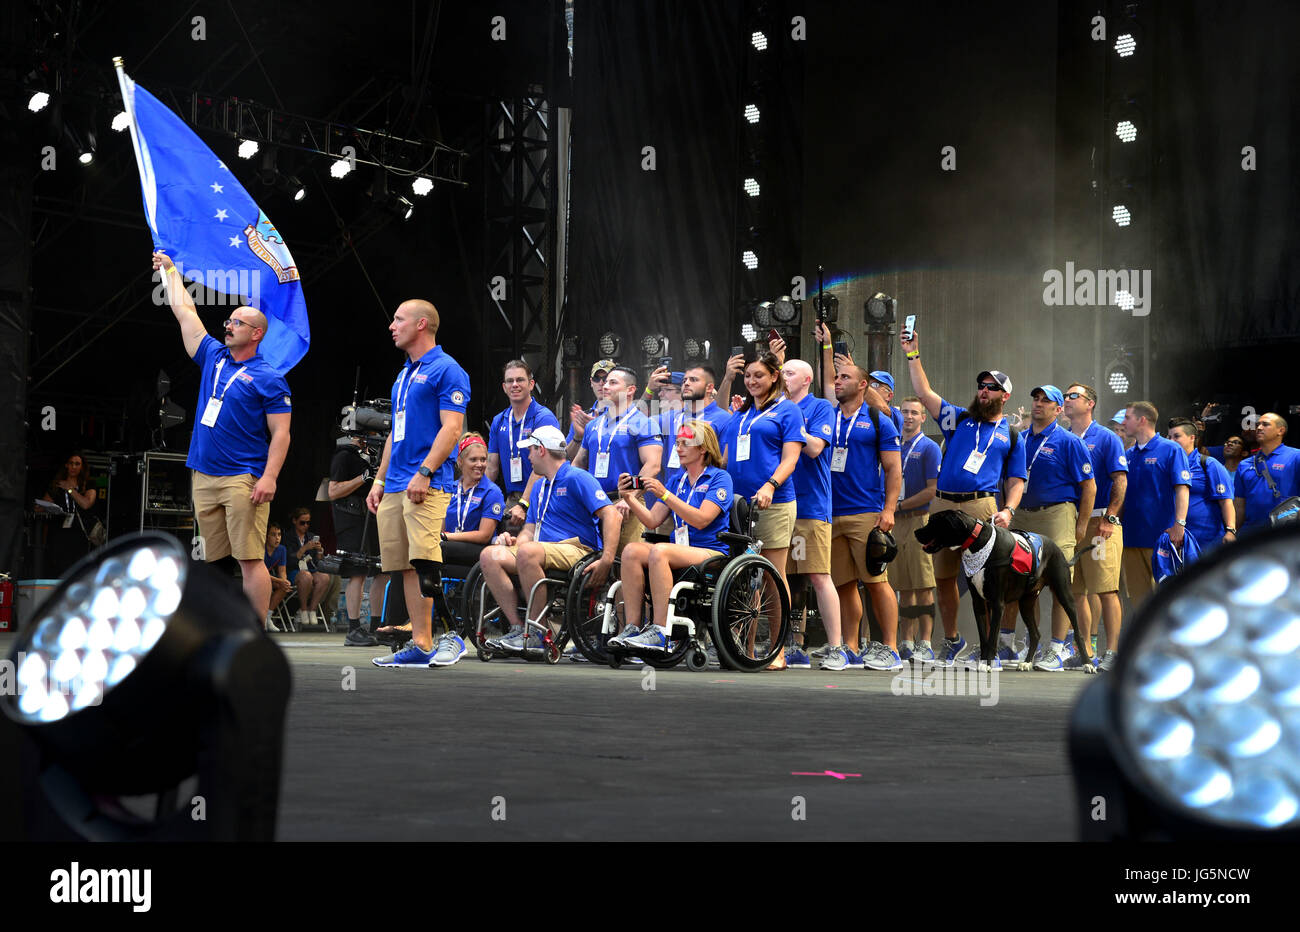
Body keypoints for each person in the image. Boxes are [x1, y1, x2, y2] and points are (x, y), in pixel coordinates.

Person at [152, 251, 291, 625]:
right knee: (213, 560)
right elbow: (186, 313)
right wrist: (169, 272)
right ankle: (217, 629)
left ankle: (254, 631)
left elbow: (282, 433)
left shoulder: (269, 377)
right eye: (228, 320)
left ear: (256, 333)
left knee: (249, 559)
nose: (227, 326)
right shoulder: (213, 356)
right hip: (203, 473)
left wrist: (269, 477)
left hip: (243, 477)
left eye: (237, 323)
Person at [900, 328, 1027, 666]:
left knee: (982, 579)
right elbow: (923, 392)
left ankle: (988, 649)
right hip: (943, 504)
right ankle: (953, 639)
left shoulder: (1012, 435)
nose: (984, 391)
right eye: (981, 386)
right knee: (943, 577)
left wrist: (1009, 510)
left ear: (1005, 396)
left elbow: (1016, 480)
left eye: (992, 388)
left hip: (981, 505)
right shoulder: (959, 419)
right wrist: (913, 353)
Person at [367, 299, 471, 668]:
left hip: (425, 481)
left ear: (422, 324)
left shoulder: (447, 369)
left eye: (399, 320)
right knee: (406, 566)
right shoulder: (404, 374)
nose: (391, 326)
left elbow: (453, 428)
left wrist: (424, 471)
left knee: (425, 562)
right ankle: (422, 643)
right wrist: (379, 479)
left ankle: (452, 637)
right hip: (395, 483)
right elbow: (396, 431)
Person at [478, 425, 619, 650]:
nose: (528, 456)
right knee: (489, 555)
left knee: (528, 551)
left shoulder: (577, 477)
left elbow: (611, 514)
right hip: (540, 549)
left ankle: (537, 631)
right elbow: (529, 529)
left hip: (578, 548)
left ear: (541, 450)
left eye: (531, 450)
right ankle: (517, 628)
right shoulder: (538, 486)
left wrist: (608, 558)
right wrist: (515, 543)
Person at [611, 420, 735, 652]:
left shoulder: (719, 478)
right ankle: (632, 626)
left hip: (711, 550)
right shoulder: (677, 480)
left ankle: (660, 629)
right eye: (677, 443)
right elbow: (651, 520)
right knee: (631, 551)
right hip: (682, 549)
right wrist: (628, 498)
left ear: (702, 448)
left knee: (659, 550)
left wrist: (666, 495)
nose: (678, 448)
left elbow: (701, 519)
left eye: (685, 443)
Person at [718, 352, 804, 667]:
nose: (753, 381)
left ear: (774, 377)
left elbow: (791, 459)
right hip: (739, 505)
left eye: (759, 375)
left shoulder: (788, 410)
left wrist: (770, 484)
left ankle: (778, 649)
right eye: (749, 376)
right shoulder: (740, 414)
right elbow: (724, 457)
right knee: (745, 576)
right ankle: (748, 649)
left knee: (771, 576)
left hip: (775, 503)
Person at [1005, 386, 1096, 672]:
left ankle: (1056, 648)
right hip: (1021, 516)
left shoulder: (1069, 442)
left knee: (1059, 583)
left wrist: (1081, 524)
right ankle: (1009, 644)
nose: (1038, 404)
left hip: (1057, 514)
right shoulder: (1018, 439)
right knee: (1016, 581)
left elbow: (1089, 486)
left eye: (1047, 401)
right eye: (1036, 398)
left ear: (1059, 410)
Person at [827, 363, 903, 670]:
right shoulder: (826, 417)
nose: (837, 382)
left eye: (845, 378)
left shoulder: (878, 420)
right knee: (843, 585)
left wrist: (888, 509)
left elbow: (894, 468)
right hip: (829, 513)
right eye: (836, 377)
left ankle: (891, 648)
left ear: (862, 386)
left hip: (866, 512)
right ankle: (851, 646)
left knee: (876, 582)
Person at [777, 359, 847, 670]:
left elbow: (816, 447)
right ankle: (790, 644)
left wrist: (792, 423)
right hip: (778, 503)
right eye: (781, 372)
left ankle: (836, 648)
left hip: (810, 505)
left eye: (790, 373)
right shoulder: (774, 406)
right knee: (783, 576)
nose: (783, 377)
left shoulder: (819, 406)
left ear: (807, 379)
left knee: (818, 575)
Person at [1063, 382, 1128, 671]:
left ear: (1090, 403)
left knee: (1105, 589)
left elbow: (1120, 480)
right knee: (1075, 590)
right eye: (1065, 396)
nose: (1067, 400)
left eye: (1073, 396)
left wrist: (1110, 517)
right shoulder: (1063, 437)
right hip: (1069, 521)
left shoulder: (1107, 438)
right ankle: (1085, 651)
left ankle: (1112, 652)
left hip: (1100, 522)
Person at [574, 365, 662, 554]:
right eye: (605, 382)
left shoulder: (644, 423)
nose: (605, 386)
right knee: (591, 559)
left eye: (613, 383)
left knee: (626, 564)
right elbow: (578, 464)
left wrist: (631, 497)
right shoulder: (593, 425)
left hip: (626, 504)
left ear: (630, 390)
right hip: (594, 503)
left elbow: (653, 465)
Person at [1119, 401, 1190, 607]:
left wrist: (1180, 524)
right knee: (1139, 600)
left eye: (1128, 418)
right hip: (1131, 538)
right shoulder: (1128, 454)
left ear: (1142, 420)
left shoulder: (1171, 449)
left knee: (1167, 598)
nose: (1123, 423)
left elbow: (1182, 489)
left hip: (1162, 536)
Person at [889, 397, 942, 664]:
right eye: (904, 412)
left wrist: (900, 504)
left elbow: (932, 490)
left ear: (923, 417)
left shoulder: (930, 448)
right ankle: (906, 641)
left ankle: (925, 643)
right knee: (902, 584)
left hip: (920, 520)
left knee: (923, 584)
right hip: (895, 521)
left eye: (914, 413)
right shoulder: (893, 445)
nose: (908, 417)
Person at [328, 435, 389, 647]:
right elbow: (333, 491)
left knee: (383, 570)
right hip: (351, 517)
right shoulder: (344, 455)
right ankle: (353, 628)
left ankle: (376, 626)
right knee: (357, 571)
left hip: (372, 517)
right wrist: (363, 477)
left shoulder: (374, 456)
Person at [487, 360, 561, 529]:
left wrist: (524, 504)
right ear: (504, 387)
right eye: (510, 381)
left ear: (531, 384)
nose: (515, 385)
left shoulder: (543, 417)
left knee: (533, 550)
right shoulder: (499, 421)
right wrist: (482, 498)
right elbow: (491, 467)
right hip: (513, 499)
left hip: (541, 497)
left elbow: (545, 466)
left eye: (520, 380)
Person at [1169, 417, 1235, 554]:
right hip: (1172, 539)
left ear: (1192, 438)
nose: (1171, 441)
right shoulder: (1166, 465)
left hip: (1206, 541)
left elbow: (1226, 502)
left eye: (1177, 436)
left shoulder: (1209, 464)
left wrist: (1230, 530)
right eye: (1169, 436)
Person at [442, 432, 507, 562]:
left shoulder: (492, 491)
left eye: (483, 459)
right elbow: (440, 525)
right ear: (460, 461)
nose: (479, 464)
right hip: (447, 546)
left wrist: (448, 537)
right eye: (473, 459)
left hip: (477, 551)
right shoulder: (450, 488)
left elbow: (484, 535)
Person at [1233, 412, 1300, 535]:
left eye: (1265, 424)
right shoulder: (1244, 464)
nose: (1258, 428)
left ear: (1280, 431)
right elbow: (1239, 506)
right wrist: (1231, 531)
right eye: (1258, 425)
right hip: (1250, 534)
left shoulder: (1296, 456)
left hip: (1286, 533)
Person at [40, 452, 99, 576]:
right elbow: (43, 505)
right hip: (59, 534)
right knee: (57, 569)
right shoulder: (58, 484)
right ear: (66, 465)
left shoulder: (88, 484)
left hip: (79, 534)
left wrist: (70, 489)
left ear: (82, 467)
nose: (73, 467)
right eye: (71, 463)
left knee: (78, 570)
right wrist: (42, 507)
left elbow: (86, 504)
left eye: (77, 464)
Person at [285, 506, 332, 627]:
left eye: (308, 523)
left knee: (324, 577)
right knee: (306, 576)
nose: (305, 525)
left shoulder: (310, 536)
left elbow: (317, 562)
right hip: (293, 570)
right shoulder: (287, 537)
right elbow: (289, 560)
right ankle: (303, 609)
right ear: (295, 521)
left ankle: (312, 609)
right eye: (302, 522)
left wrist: (320, 551)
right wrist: (305, 548)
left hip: (309, 569)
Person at [563, 359, 614, 461]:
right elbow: (565, 458)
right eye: (596, 378)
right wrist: (578, 437)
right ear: (591, 382)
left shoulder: (624, 415)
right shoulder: (583, 417)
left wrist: (597, 428)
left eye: (606, 379)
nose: (601, 383)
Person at [264, 522, 292, 625]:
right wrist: (280, 581)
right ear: (266, 536)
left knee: (284, 587)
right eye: (273, 534)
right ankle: (261, 617)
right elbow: (261, 573)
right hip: (257, 577)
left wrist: (284, 581)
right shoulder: (260, 548)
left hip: (269, 577)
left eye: (279, 534)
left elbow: (282, 571)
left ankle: (268, 617)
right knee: (265, 584)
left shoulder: (282, 549)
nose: (277, 538)